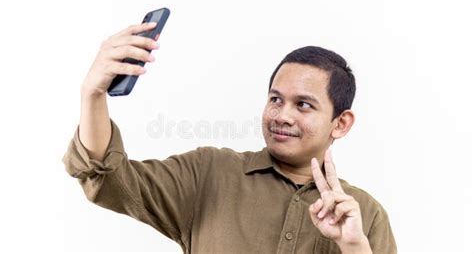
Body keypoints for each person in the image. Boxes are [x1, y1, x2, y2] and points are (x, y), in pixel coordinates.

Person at [63, 22, 397, 253]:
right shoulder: (210, 173)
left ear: (341, 123)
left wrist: (353, 247)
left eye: (303, 105)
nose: (282, 115)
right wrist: (93, 94)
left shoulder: (365, 215)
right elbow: (109, 180)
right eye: (275, 99)